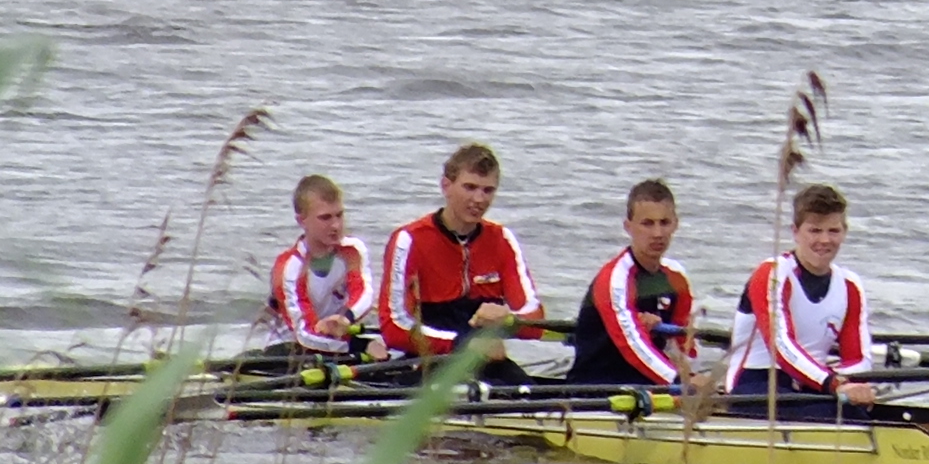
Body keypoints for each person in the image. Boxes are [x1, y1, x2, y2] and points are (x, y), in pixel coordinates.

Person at [379, 143, 544, 379]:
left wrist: (508, 319)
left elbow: (535, 320)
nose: (478, 199)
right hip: (430, 360)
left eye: (488, 191)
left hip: (485, 359)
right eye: (470, 187)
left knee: (528, 395)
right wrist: (461, 344)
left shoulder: (502, 239)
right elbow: (394, 328)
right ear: (446, 186)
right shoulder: (409, 240)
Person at [725, 184, 876, 406]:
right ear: (795, 232)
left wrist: (852, 386)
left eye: (833, 231)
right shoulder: (772, 274)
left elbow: (858, 359)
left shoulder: (850, 285)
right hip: (755, 386)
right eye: (815, 230)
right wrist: (834, 384)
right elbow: (781, 347)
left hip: (814, 385)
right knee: (835, 417)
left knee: (860, 415)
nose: (825, 240)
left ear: (844, 232)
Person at [567, 178, 697, 388]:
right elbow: (630, 344)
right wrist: (680, 380)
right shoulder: (615, 278)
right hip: (596, 389)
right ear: (628, 227)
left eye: (664, 223)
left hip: (651, 387)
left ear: (676, 224)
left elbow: (685, 346)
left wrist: (690, 375)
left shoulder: (676, 278)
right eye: (647, 223)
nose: (657, 234)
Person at [265, 174, 374, 357]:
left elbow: (363, 293)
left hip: (336, 340)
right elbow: (304, 333)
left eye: (339, 215)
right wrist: (359, 346)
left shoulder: (353, 251)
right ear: (302, 221)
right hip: (291, 347)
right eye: (325, 218)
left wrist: (346, 319)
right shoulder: (289, 267)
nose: (336, 225)